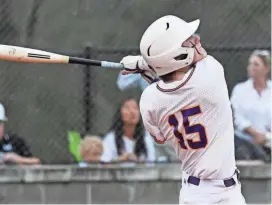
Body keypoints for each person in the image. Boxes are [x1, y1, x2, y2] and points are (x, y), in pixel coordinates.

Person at [120, 15, 245, 204]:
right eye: (188, 40)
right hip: (219, 194)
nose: (196, 40)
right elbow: (195, 62)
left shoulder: (149, 99)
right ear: (176, 54)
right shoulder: (211, 74)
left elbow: (159, 137)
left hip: (195, 194)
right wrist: (144, 64)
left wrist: (148, 65)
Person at [231, 50, 271, 161]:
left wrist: (266, 137)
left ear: (267, 68)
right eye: (250, 64)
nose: (251, 67)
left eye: (256, 64)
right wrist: (255, 134)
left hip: (268, 141)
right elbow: (237, 117)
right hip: (244, 141)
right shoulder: (240, 90)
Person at [101, 97, 156, 163]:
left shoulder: (145, 138)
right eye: (127, 108)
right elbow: (103, 163)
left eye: (135, 108)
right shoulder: (110, 138)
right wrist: (122, 159)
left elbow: (151, 163)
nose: (132, 111)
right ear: (120, 113)